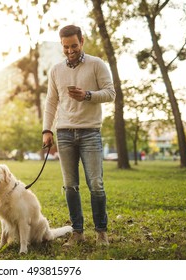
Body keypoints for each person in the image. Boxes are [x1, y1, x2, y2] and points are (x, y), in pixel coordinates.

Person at [42, 24, 116, 247]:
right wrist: (47, 130)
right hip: (64, 133)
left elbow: (110, 93)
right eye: (66, 47)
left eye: (74, 45)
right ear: (61, 45)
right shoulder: (56, 70)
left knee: (96, 185)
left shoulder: (97, 64)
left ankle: (101, 232)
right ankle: (77, 232)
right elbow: (51, 102)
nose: (70, 50)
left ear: (82, 41)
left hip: (90, 132)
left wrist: (87, 95)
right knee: (70, 186)